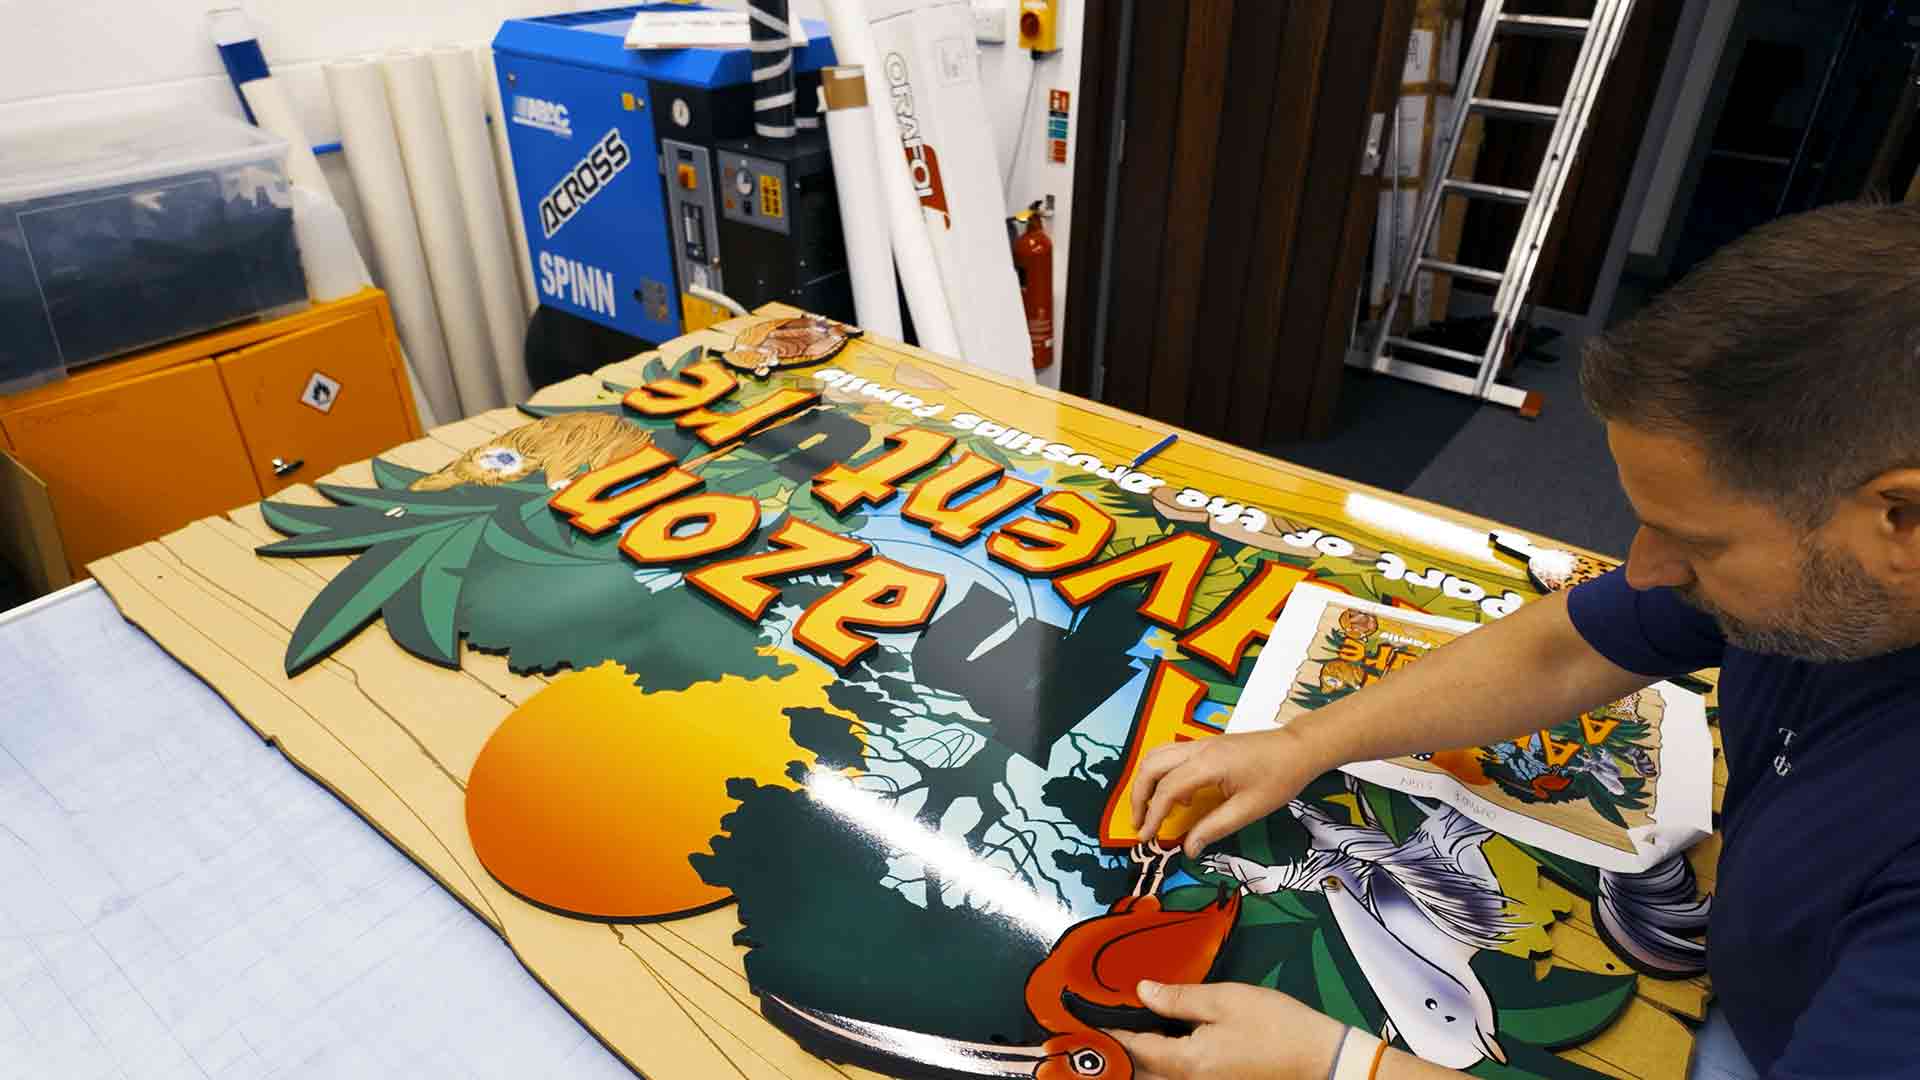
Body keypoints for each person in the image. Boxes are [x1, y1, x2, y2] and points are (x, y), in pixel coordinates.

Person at [1116, 201, 1920, 1080]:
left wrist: (1340, 1068)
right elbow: (1570, 646)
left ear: (1904, 519)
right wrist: (1310, 739)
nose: (1644, 570)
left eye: (1697, 542)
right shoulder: (1840, 576)